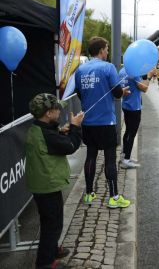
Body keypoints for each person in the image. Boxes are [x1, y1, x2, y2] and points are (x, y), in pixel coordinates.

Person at [26, 94, 84, 269]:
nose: (60, 111)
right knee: (53, 223)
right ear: (48, 113)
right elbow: (71, 146)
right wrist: (75, 127)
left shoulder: (37, 128)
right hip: (47, 185)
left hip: (41, 183)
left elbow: (51, 136)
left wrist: (61, 131)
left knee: (49, 220)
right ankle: (45, 262)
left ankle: (51, 249)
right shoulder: (47, 135)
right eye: (56, 109)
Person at [75, 36, 130, 208]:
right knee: (110, 159)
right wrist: (123, 92)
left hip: (88, 121)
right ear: (101, 50)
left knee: (90, 156)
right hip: (105, 121)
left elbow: (79, 93)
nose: (107, 51)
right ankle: (113, 197)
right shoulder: (108, 68)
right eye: (106, 48)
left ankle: (89, 194)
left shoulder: (80, 70)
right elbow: (117, 93)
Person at [118, 67, 151, 169]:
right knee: (131, 133)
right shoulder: (134, 72)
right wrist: (149, 76)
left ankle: (124, 156)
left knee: (128, 131)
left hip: (126, 104)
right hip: (134, 106)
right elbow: (144, 88)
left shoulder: (122, 70)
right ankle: (126, 160)